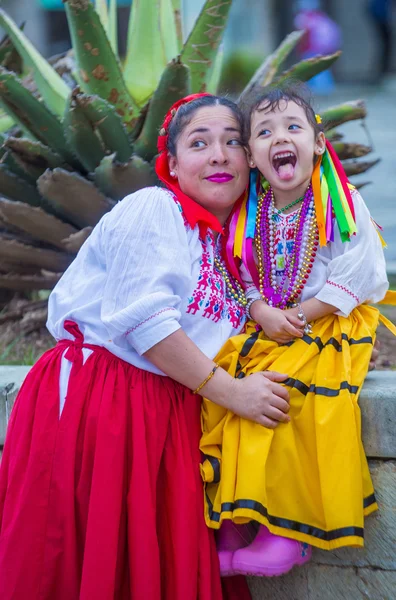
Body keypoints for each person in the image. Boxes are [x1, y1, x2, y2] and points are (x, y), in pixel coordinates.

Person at [0, 93, 293, 600]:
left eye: (233, 142)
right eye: (200, 143)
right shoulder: (155, 208)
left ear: (252, 160)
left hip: (170, 411)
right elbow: (145, 319)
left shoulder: (231, 250)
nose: (219, 155)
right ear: (173, 165)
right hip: (103, 404)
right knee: (82, 562)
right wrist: (235, 394)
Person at [200, 84, 395, 578]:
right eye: (263, 132)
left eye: (292, 127)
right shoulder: (252, 212)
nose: (279, 137)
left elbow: (366, 271)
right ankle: (234, 517)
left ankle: (284, 535)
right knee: (226, 390)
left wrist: (303, 313)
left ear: (317, 143)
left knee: (288, 398)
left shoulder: (340, 201)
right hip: (273, 326)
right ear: (251, 155)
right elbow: (240, 272)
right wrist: (261, 308)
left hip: (330, 324)